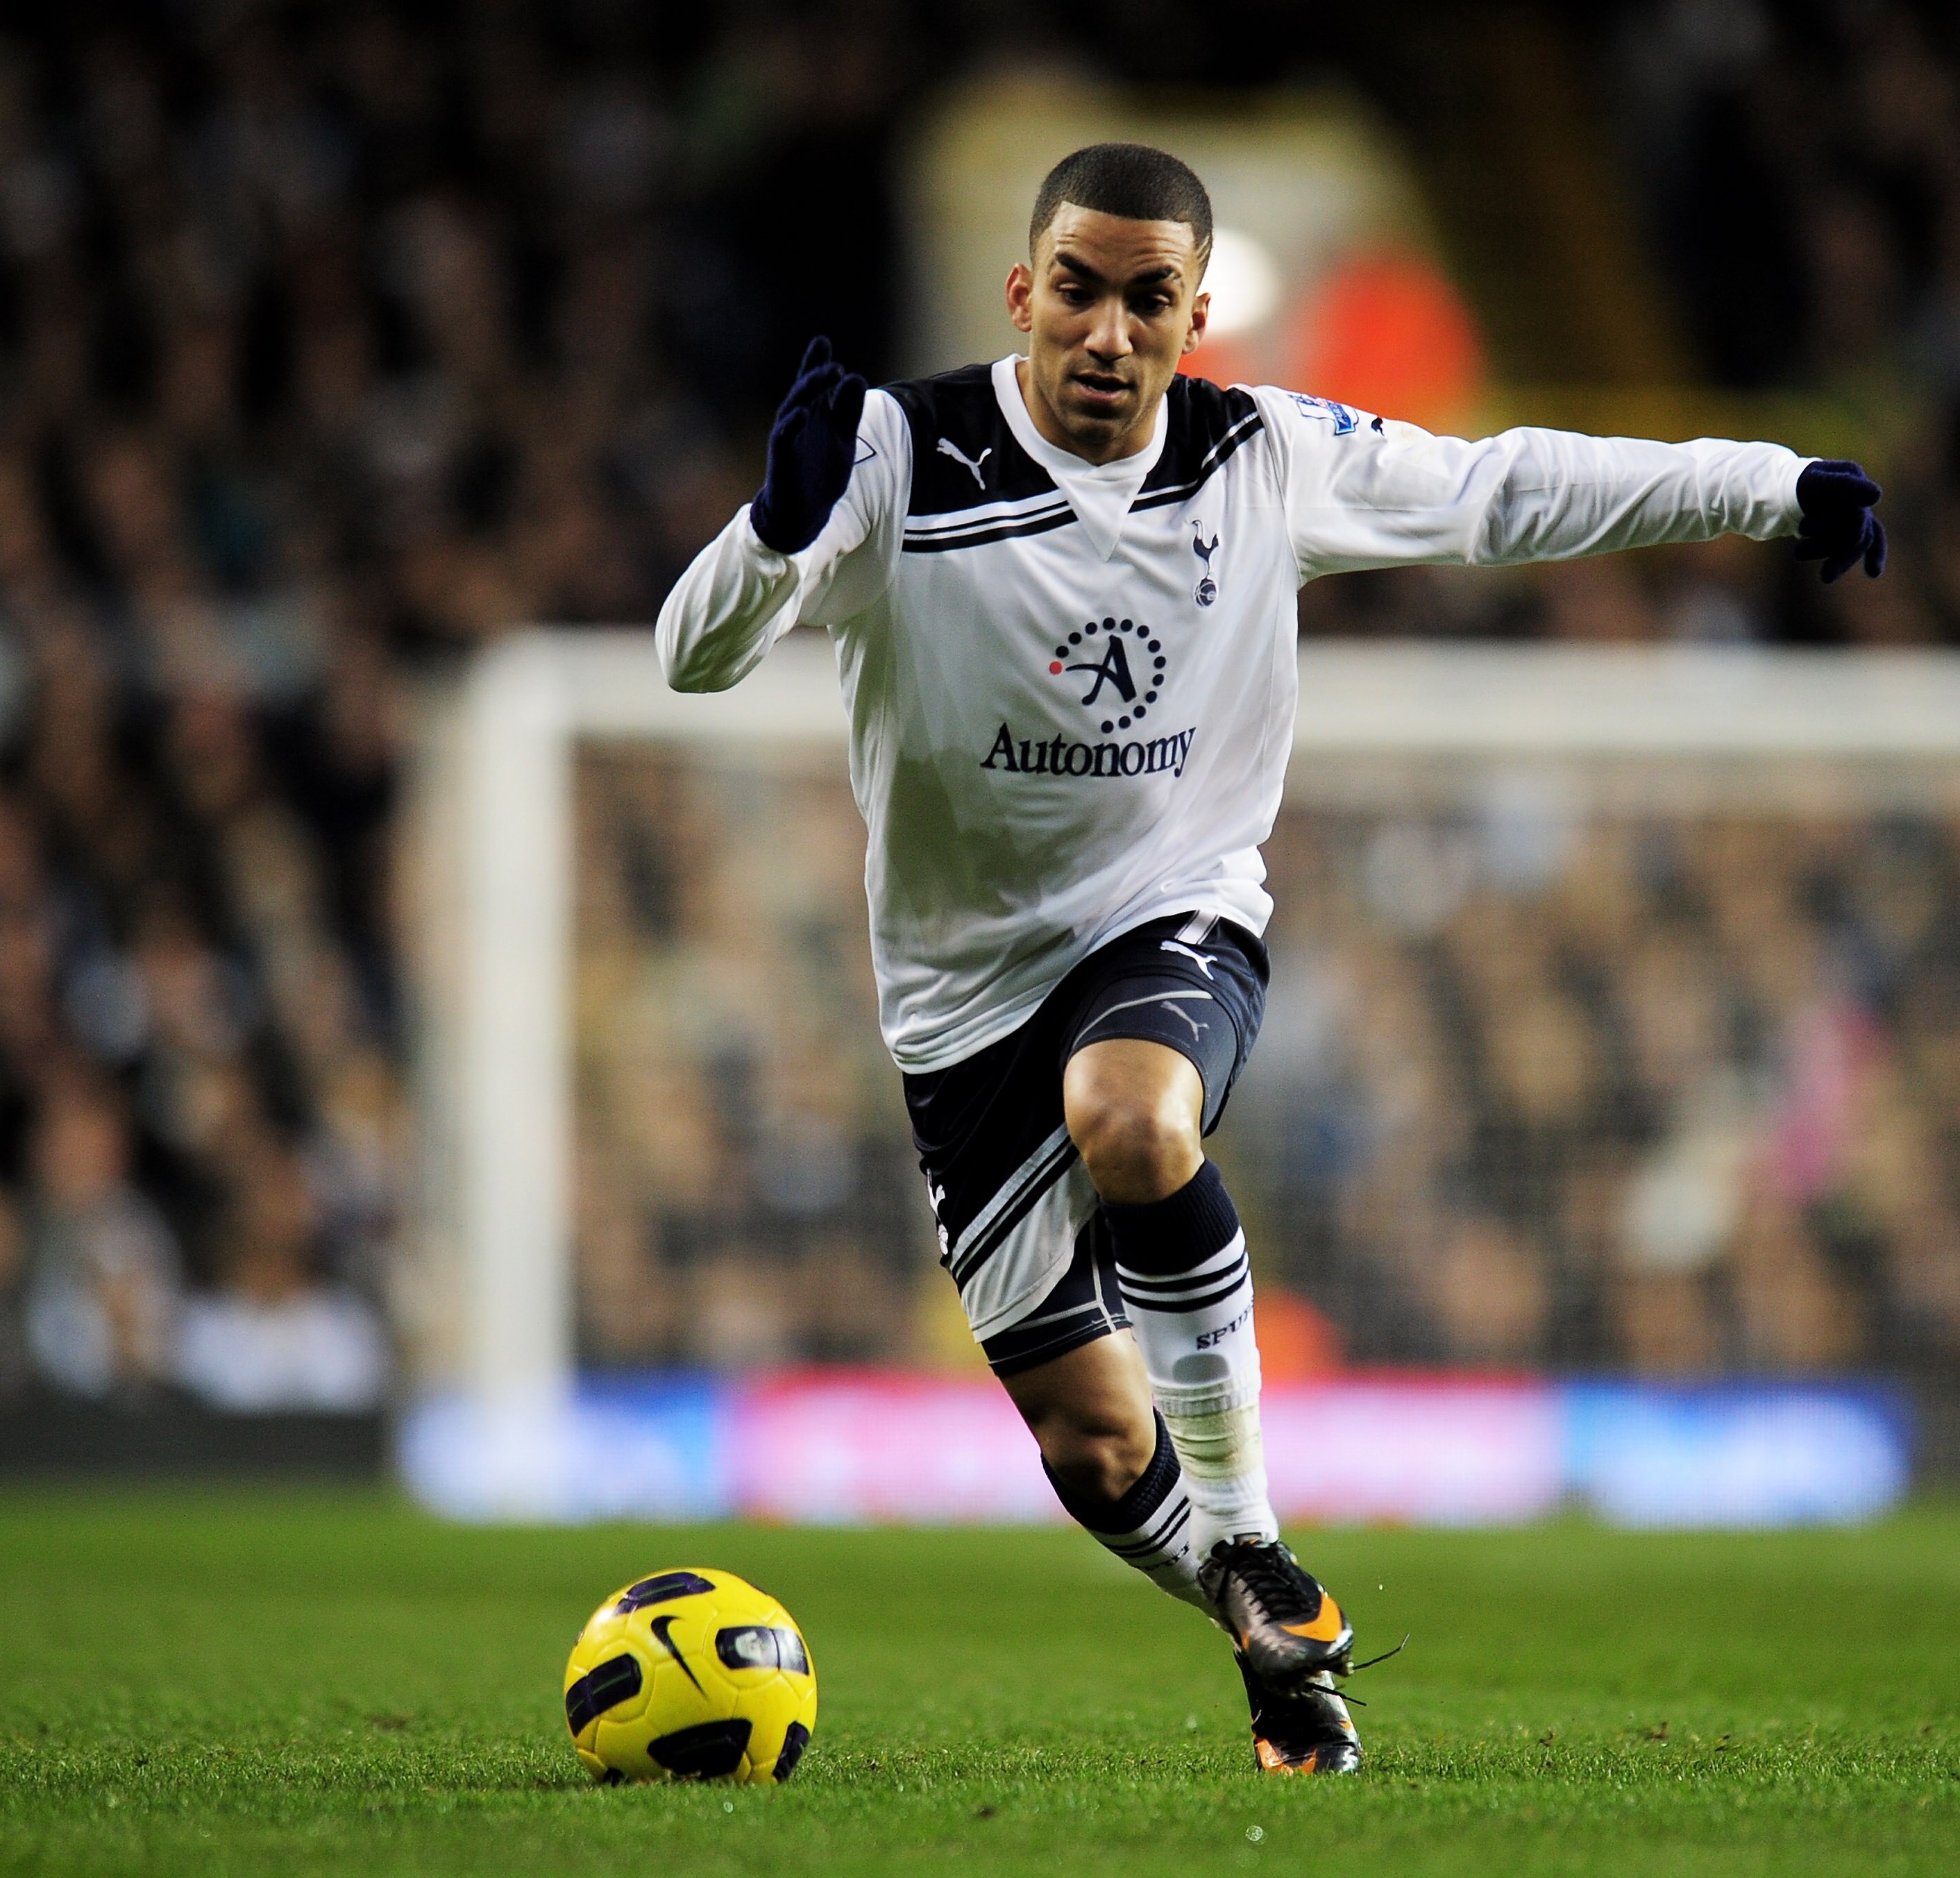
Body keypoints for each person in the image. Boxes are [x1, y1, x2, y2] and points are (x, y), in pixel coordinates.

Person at [654, 142, 1886, 1775]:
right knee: (1094, 1449)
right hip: (957, 1007)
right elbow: (690, 659)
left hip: (1170, 918)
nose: (1107, 331)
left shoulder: (1261, 454)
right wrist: (772, 530)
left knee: (1133, 1115)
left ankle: (1244, 1526)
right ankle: (1265, 1623)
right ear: (1020, 291)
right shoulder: (895, 452)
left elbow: (1503, 489)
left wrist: (1763, 483)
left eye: (1146, 299)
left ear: (1193, 317)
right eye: (1076, 290)